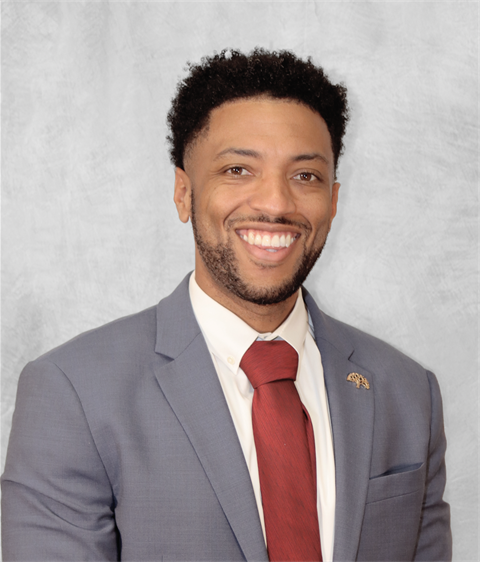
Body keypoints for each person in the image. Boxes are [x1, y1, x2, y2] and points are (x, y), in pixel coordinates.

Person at [1, 48, 451, 562]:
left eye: (305, 175)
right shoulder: (74, 392)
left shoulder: (408, 393)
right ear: (184, 193)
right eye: (238, 169)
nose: (276, 203)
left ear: (333, 199)